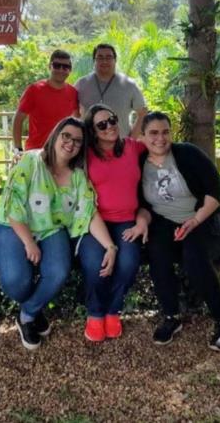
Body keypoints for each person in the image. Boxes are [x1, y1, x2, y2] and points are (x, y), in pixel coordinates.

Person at [0, 117, 119, 350]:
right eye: (66, 136)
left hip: (50, 229)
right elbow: (13, 205)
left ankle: (28, 314)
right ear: (55, 135)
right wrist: (29, 243)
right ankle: (34, 307)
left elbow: (89, 213)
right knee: (16, 282)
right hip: (13, 225)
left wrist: (110, 246)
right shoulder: (31, 161)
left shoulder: (78, 177)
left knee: (58, 272)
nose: (70, 143)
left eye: (78, 141)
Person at [138, 111, 220, 352]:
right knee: (157, 255)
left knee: (194, 259)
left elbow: (216, 190)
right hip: (164, 222)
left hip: (201, 218)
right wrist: (142, 220)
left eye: (165, 132)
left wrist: (194, 221)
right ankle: (171, 316)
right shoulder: (140, 163)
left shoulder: (187, 153)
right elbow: (144, 206)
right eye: (153, 133)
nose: (160, 138)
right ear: (143, 136)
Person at [78, 104, 150, 342]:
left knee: (128, 263)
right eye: (101, 124)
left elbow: (160, 145)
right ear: (93, 130)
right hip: (95, 221)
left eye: (112, 119)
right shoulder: (86, 154)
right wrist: (24, 153)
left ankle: (113, 310)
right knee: (94, 265)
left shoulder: (131, 147)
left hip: (126, 221)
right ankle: (95, 313)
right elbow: (57, 150)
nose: (109, 126)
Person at [12, 50, 79, 156]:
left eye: (65, 67)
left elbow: (77, 121)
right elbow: (18, 119)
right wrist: (18, 149)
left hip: (62, 154)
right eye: (57, 65)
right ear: (50, 66)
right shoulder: (34, 90)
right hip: (36, 152)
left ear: (70, 70)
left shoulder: (73, 92)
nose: (61, 70)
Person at [74, 44, 147, 138]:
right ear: (94, 61)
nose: (104, 61)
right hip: (89, 147)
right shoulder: (81, 84)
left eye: (109, 57)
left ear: (115, 60)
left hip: (120, 146)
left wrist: (131, 140)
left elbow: (142, 113)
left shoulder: (129, 84)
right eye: (100, 57)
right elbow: (72, 113)